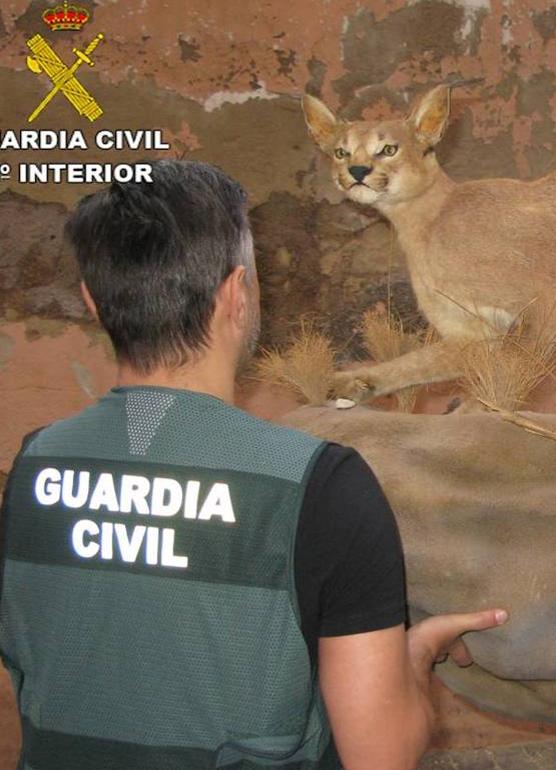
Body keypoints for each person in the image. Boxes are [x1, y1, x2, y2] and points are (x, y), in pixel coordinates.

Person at [0, 160, 507, 769]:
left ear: (92, 302)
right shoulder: (320, 486)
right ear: (237, 296)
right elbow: (382, 755)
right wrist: (415, 658)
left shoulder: (31, 467)